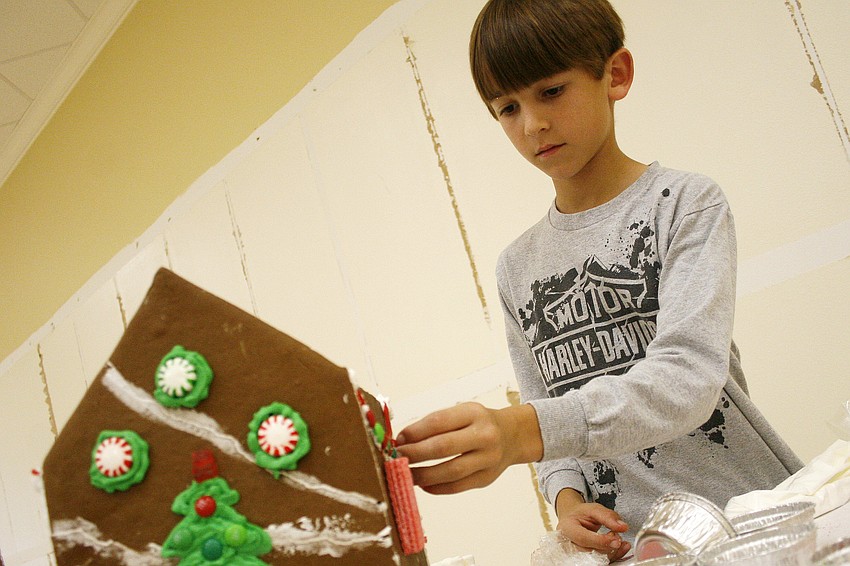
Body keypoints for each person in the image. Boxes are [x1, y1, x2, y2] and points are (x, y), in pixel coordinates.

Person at [395, 0, 804, 561]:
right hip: (631, 547)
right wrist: (565, 500)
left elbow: (687, 380)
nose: (532, 124)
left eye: (551, 92)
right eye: (507, 107)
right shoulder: (516, 266)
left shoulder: (683, 203)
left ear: (616, 74)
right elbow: (544, 405)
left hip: (743, 526)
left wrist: (519, 430)